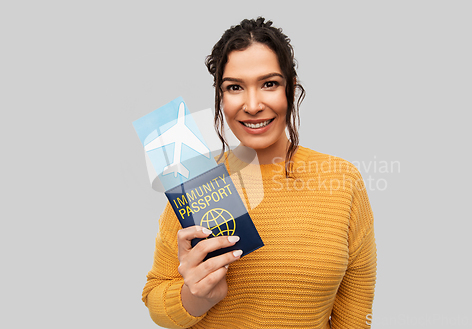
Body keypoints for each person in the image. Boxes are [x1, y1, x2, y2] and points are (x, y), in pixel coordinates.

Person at [142, 17, 376, 328]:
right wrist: (197, 296)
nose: (252, 105)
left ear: (290, 89)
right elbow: (155, 298)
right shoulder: (195, 182)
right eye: (235, 87)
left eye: (269, 84)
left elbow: (356, 309)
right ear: (221, 98)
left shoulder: (343, 180)